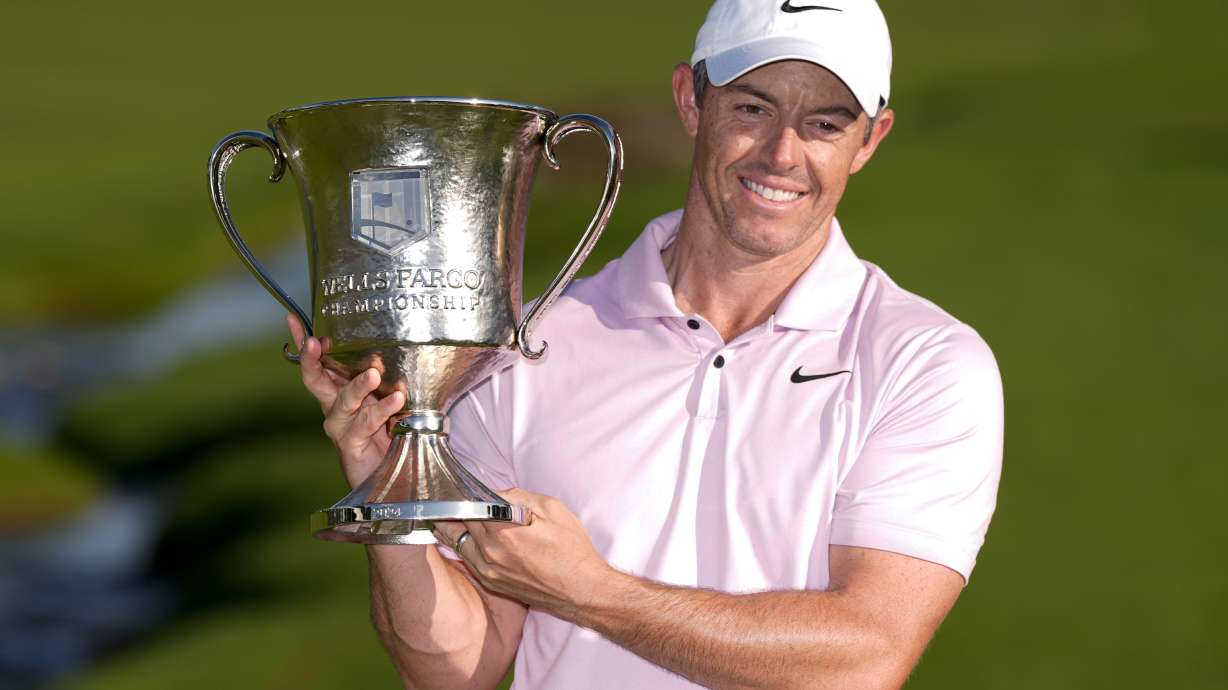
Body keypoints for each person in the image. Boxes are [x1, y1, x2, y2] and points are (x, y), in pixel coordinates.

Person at [289, 0, 1004, 687]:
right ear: (691, 101)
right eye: (752, 109)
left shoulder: (924, 364)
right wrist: (390, 487)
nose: (783, 153)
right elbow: (453, 670)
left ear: (869, 141)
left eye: (824, 123)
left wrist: (590, 591)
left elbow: (863, 657)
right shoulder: (523, 347)